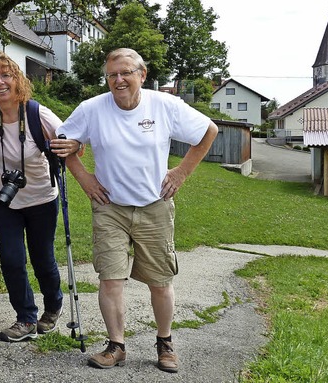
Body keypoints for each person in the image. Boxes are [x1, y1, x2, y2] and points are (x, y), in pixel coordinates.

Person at [54, 48, 218, 372]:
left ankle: (165, 343)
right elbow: (61, 142)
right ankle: (116, 346)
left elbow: (208, 131)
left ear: (142, 75)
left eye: (126, 72)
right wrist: (85, 178)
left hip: (154, 205)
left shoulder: (164, 105)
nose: (119, 80)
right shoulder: (92, 109)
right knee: (110, 279)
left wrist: (181, 172)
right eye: (112, 74)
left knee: (160, 280)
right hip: (110, 207)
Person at [0, 51, 78, 342]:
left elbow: (73, 143)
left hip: (41, 199)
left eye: (6, 75)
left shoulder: (36, 113)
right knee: (11, 259)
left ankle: (54, 305)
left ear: (17, 80)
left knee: (42, 257)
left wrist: (71, 146)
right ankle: (25, 318)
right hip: (2, 199)